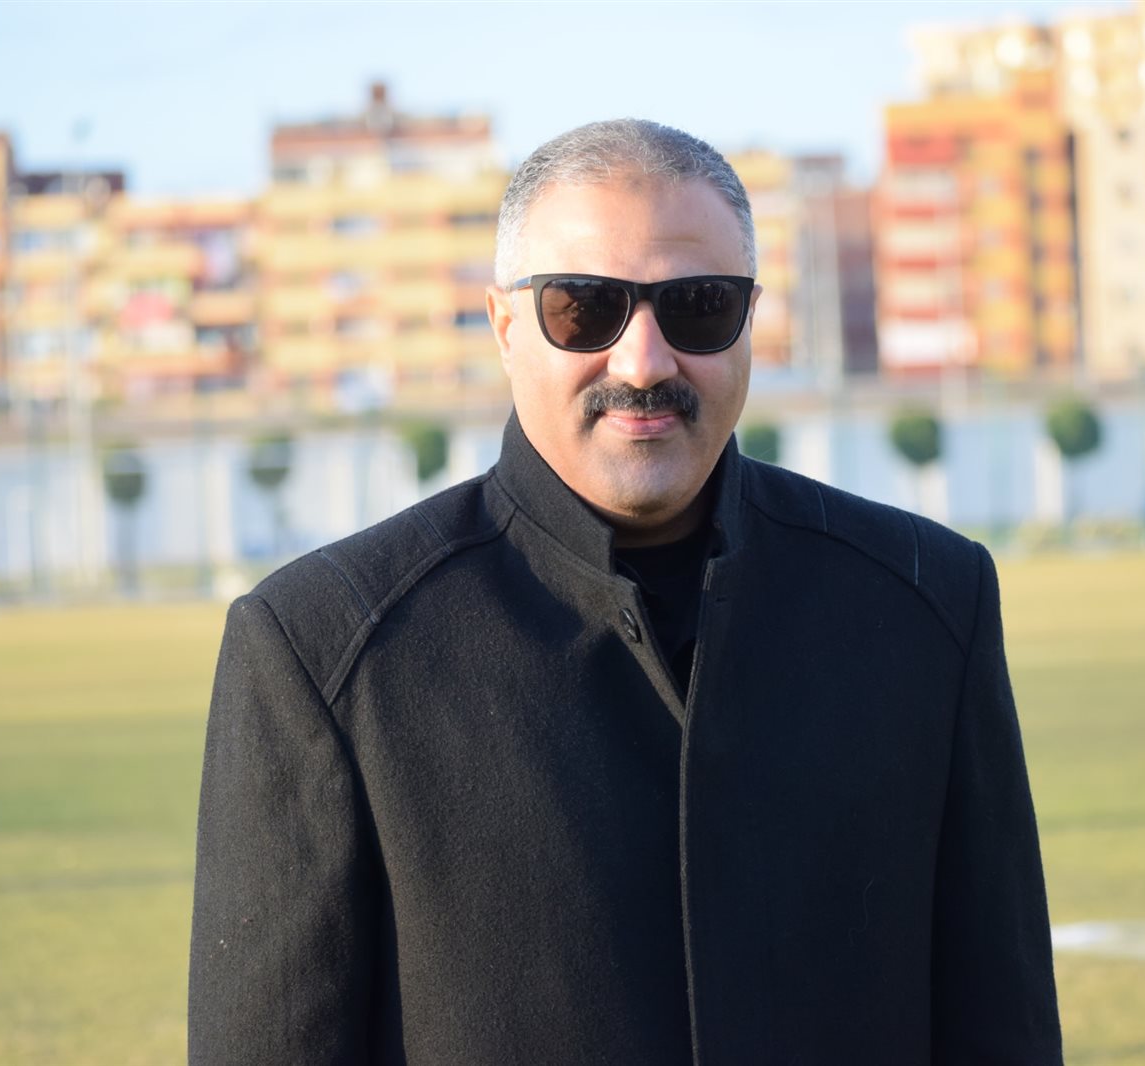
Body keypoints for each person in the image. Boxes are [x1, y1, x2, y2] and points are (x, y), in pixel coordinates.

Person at [189, 119, 1061, 1064]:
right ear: (506, 325)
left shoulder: (926, 607)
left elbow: (1002, 1030)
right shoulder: (324, 649)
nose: (643, 362)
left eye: (698, 306)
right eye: (585, 307)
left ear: (750, 320)